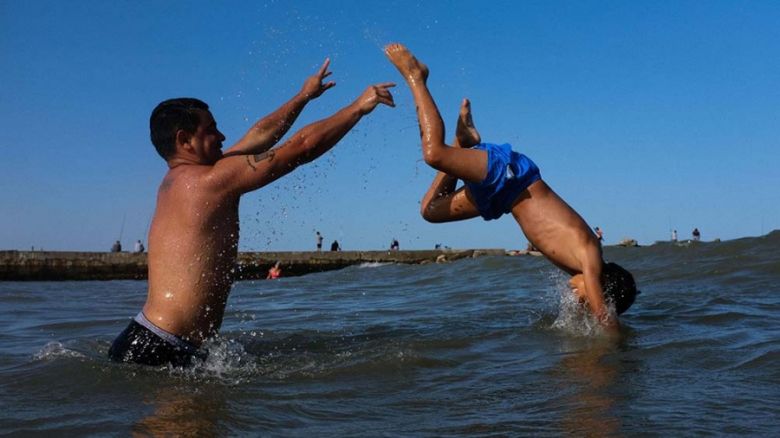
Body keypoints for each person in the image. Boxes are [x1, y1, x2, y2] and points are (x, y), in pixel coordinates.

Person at [108, 59, 395, 367]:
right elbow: (301, 147)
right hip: (161, 348)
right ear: (184, 140)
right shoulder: (207, 182)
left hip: (153, 340)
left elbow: (259, 135)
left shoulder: (181, 181)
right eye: (211, 130)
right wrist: (358, 107)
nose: (222, 137)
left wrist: (302, 97)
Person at [385, 43, 636, 332]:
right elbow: (603, 316)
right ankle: (416, 76)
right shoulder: (591, 258)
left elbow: (593, 309)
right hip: (511, 177)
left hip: (501, 199)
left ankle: (462, 144)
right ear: (602, 289)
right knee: (433, 154)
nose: (579, 299)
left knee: (430, 210)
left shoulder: (578, 266)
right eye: (588, 298)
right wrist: (617, 347)